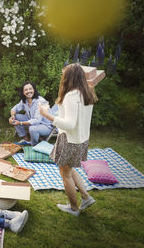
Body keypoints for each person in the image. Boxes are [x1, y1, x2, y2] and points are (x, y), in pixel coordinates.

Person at [39, 63, 97, 216]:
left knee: (66, 174)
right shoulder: (87, 92)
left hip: (70, 139)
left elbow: (70, 124)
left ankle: (73, 208)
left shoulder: (72, 96)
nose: (62, 77)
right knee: (69, 170)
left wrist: (47, 115)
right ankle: (86, 197)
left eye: (63, 74)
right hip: (81, 139)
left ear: (69, 77)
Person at [9, 81, 53, 145]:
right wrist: (12, 117)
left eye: (30, 89)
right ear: (23, 92)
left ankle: (34, 144)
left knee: (32, 128)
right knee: (16, 117)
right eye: (26, 90)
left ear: (34, 90)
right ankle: (25, 138)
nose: (28, 91)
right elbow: (14, 109)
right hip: (32, 121)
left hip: (45, 126)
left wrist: (20, 123)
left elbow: (37, 120)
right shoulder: (25, 100)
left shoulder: (40, 101)